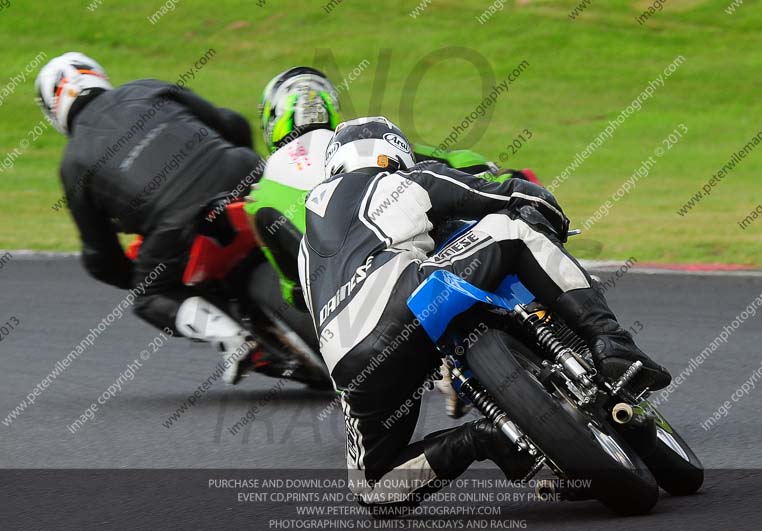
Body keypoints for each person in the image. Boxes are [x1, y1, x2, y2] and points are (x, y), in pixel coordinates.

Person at [297, 116, 672, 512]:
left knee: (372, 487)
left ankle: (484, 438)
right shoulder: (401, 180)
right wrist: (551, 220)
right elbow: (507, 196)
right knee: (511, 228)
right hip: (408, 297)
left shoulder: (307, 245)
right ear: (394, 152)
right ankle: (611, 343)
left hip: (348, 362)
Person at [244, 66, 540, 413]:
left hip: (353, 316)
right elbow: (445, 163)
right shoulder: (359, 143)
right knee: (511, 232)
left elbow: (295, 290)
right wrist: (493, 173)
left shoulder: (261, 194)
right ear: (329, 105)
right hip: (418, 250)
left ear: (271, 120)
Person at [35, 52, 269, 384]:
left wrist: (135, 275)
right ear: (98, 75)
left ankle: (233, 339)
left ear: (53, 110)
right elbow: (232, 123)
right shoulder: (147, 88)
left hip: (179, 225)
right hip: (244, 172)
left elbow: (100, 256)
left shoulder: (73, 163)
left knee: (149, 295)